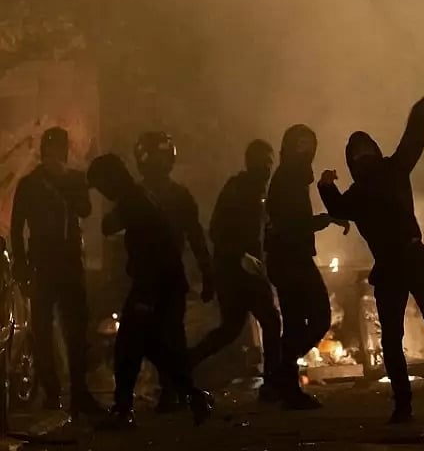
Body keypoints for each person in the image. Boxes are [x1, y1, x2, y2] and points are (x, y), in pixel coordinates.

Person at [318, 93, 424, 424]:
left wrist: (419, 113)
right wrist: (326, 186)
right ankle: (417, 397)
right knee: (405, 334)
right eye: (357, 153)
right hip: (397, 264)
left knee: (420, 329)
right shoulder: (377, 180)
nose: (363, 156)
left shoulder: (386, 174)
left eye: (364, 150)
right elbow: (338, 207)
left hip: (405, 261)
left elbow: (412, 143)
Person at [86, 153, 214, 429]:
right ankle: (193, 397)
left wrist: (145, 296)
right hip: (163, 282)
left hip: (153, 283)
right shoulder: (138, 197)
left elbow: (116, 230)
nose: (104, 193)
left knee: (129, 346)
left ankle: (125, 410)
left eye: (102, 185)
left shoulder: (133, 200)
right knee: (154, 347)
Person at [9, 127, 106, 416]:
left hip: (68, 264)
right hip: (44, 264)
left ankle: (78, 392)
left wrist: (66, 182)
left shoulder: (72, 180)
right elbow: (17, 227)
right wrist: (22, 266)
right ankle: (53, 392)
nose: (59, 153)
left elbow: (85, 210)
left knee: (75, 329)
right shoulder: (30, 184)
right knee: (42, 330)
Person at [189, 139, 288, 402]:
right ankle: (272, 383)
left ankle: (184, 364)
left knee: (232, 328)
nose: (267, 168)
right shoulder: (238, 189)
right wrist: (240, 255)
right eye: (262, 162)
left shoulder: (258, 192)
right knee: (267, 321)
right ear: (250, 162)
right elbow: (216, 230)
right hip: (235, 270)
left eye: (269, 162)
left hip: (244, 269)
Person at [132, 131, 215, 413]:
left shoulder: (147, 195)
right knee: (164, 336)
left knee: (162, 336)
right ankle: (175, 391)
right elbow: (196, 237)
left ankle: (172, 391)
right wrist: (207, 273)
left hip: (156, 277)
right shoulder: (159, 195)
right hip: (157, 277)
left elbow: (195, 236)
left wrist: (207, 273)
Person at [265, 124, 340, 409]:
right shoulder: (288, 179)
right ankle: (281, 376)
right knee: (318, 319)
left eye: (309, 145)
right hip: (291, 260)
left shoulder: (291, 177)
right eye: (301, 145)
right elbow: (293, 225)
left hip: (288, 259)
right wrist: (326, 219)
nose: (306, 151)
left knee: (295, 325)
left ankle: (284, 384)